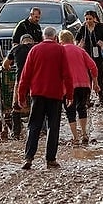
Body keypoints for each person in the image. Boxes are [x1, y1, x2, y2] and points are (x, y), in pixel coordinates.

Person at [18, 27, 73, 170]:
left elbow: (25, 75)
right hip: (55, 94)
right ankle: (50, 159)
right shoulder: (60, 50)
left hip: (37, 94)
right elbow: (67, 74)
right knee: (53, 127)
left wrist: (21, 95)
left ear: (43, 37)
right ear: (55, 38)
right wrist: (70, 95)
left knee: (34, 125)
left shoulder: (34, 50)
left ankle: (29, 158)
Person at [59, 30, 98, 145]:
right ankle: (85, 134)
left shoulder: (60, 52)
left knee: (70, 111)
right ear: (72, 40)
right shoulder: (81, 50)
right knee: (82, 108)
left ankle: (75, 137)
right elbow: (93, 66)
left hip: (67, 86)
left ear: (61, 41)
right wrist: (95, 83)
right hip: (84, 85)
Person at [75, 10, 103, 106]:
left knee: (99, 78)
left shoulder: (100, 27)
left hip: (99, 56)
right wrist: (79, 44)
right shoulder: (83, 28)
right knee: (87, 79)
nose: (88, 21)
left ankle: (101, 100)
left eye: (90, 19)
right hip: (87, 56)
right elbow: (77, 38)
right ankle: (87, 100)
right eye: (86, 19)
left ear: (94, 19)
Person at [3, 34, 35, 139]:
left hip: (21, 80)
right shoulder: (36, 48)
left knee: (16, 107)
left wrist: (10, 67)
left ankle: (16, 133)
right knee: (37, 106)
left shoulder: (16, 48)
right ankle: (39, 131)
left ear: (21, 42)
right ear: (31, 41)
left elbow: (5, 65)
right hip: (35, 81)